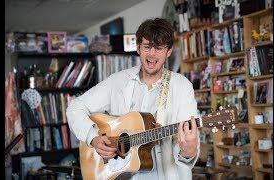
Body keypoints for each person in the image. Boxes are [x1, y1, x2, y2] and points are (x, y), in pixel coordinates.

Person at [66, 18, 200, 180]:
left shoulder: (181, 86)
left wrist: (189, 150)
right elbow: (75, 107)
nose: (152, 54)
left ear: (169, 51)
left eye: (159, 48)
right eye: (147, 47)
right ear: (138, 48)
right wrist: (93, 138)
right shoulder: (117, 81)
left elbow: (187, 150)